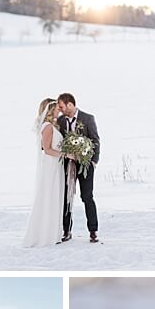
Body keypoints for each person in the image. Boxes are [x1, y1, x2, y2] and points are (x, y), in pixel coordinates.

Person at [55, 93, 101, 244]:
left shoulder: (88, 118)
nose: (60, 110)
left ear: (70, 104)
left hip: (86, 165)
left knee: (87, 197)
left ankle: (93, 231)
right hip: (67, 165)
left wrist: (93, 162)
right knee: (66, 198)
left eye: (61, 106)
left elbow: (95, 140)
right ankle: (66, 230)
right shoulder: (60, 121)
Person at [23, 97, 67, 247]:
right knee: (50, 195)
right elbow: (47, 150)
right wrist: (66, 154)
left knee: (55, 196)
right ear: (50, 110)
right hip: (51, 166)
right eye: (56, 108)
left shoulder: (52, 126)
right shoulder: (47, 126)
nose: (59, 111)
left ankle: (53, 232)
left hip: (56, 165)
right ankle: (45, 234)